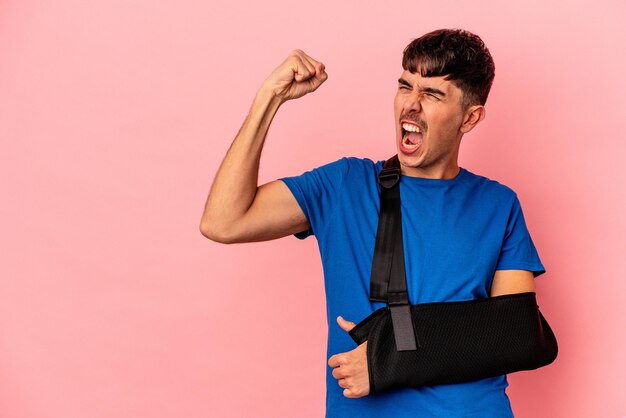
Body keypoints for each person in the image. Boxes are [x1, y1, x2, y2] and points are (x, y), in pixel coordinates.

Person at [200, 29, 546, 418]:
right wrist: (270, 98)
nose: (411, 105)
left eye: (432, 94)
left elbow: (515, 334)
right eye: (405, 86)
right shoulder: (343, 185)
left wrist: (389, 359)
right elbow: (224, 222)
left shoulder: (498, 203)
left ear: (470, 117)